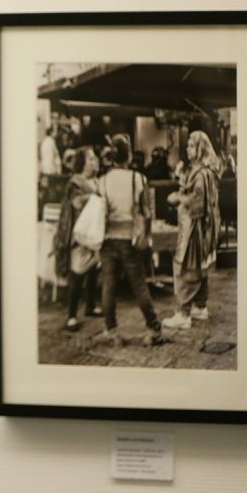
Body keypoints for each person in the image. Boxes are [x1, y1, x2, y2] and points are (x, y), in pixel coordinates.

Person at [93, 135, 164, 346]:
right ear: (129, 154)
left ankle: (111, 331)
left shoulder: (102, 181)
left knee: (108, 286)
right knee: (139, 285)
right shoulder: (138, 178)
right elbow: (147, 213)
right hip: (129, 239)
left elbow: (99, 212)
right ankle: (153, 329)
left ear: (112, 157)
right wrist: (147, 235)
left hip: (107, 238)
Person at [162, 131, 222, 330]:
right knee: (200, 267)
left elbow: (197, 203)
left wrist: (178, 198)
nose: (187, 149)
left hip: (194, 228)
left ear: (200, 148)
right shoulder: (204, 170)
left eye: (191, 146)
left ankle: (183, 313)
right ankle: (200, 306)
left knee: (188, 266)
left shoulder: (202, 173)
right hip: (200, 227)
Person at [54, 147, 102, 331]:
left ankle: (90, 306)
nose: (95, 160)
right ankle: (71, 316)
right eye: (91, 158)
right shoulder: (75, 183)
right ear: (82, 162)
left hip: (93, 234)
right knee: (77, 272)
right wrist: (93, 197)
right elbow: (75, 203)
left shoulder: (97, 181)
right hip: (78, 234)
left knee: (92, 271)